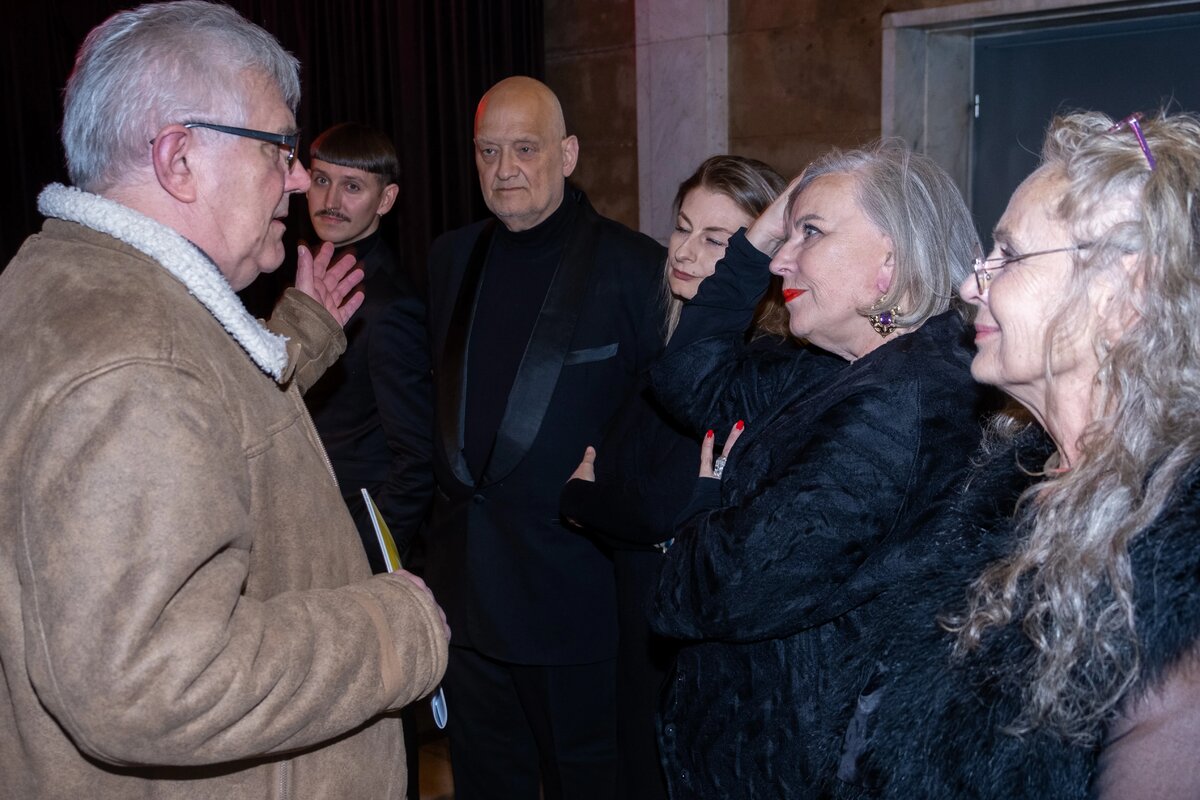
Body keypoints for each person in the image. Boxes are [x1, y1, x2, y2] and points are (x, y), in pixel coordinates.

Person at [0, 4, 449, 798]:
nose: (300, 178)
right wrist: (395, 629)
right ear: (179, 159)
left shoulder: (77, 284)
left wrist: (301, 336)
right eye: (279, 148)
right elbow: (152, 678)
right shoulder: (135, 363)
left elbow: (205, 423)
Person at [832, 111, 1200, 800]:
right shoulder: (1016, 472)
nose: (972, 285)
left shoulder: (1175, 600)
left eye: (1010, 255)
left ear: (1126, 295)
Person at [646, 139, 991, 798]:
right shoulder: (851, 366)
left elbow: (727, 585)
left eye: (810, 232)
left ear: (890, 259)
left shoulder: (899, 405)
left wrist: (692, 520)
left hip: (804, 769)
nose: (780, 259)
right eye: (786, 235)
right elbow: (691, 377)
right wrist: (758, 235)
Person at [424, 75, 665, 800]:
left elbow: (663, 424)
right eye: (488, 151)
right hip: (466, 602)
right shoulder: (449, 258)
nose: (504, 169)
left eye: (525, 149)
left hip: (574, 606)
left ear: (567, 154)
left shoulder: (635, 268)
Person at [560, 154, 801, 800]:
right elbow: (636, 494)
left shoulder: (757, 364)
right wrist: (604, 501)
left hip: (689, 653)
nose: (685, 252)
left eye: (716, 239)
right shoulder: (669, 349)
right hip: (641, 634)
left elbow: (658, 510)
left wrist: (584, 496)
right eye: (683, 228)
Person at [303, 122, 434, 572]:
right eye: (321, 180)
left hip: (351, 543)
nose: (331, 200)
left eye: (352, 186)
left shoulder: (389, 305)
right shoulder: (309, 271)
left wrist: (368, 556)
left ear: (386, 199)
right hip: (308, 526)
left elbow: (417, 459)